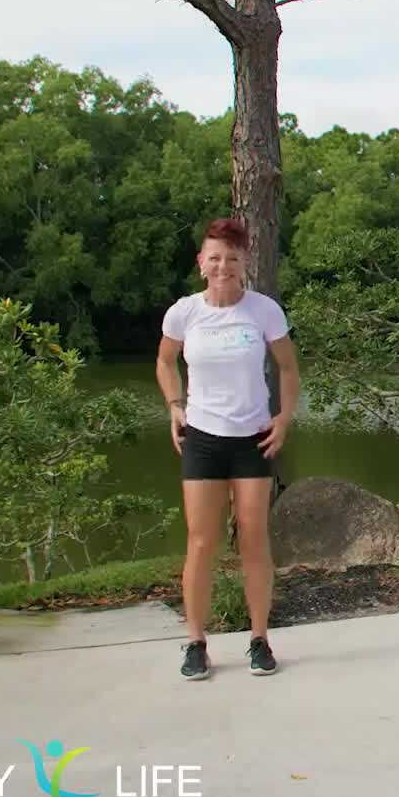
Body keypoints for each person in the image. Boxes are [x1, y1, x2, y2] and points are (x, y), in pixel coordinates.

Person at [155, 217, 300, 679]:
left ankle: (259, 639)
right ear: (201, 263)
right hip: (202, 438)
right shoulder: (184, 313)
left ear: (244, 263)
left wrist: (284, 418)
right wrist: (174, 405)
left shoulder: (264, 311)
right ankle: (196, 643)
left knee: (254, 538)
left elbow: (288, 368)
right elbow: (164, 362)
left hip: (252, 438)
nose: (223, 267)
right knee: (201, 542)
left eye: (232, 259)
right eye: (215, 258)